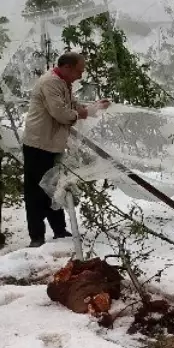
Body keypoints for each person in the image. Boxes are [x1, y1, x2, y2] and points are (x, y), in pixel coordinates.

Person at [21, 51, 108, 248]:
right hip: (39, 145)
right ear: (66, 67)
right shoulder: (50, 83)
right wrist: (86, 113)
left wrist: (92, 107)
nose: (81, 75)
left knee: (55, 187)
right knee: (36, 191)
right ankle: (37, 237)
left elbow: (72, 105)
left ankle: (59, 231)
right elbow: (61, 114)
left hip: (53, 145)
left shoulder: (63, 83)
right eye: (79, 71)